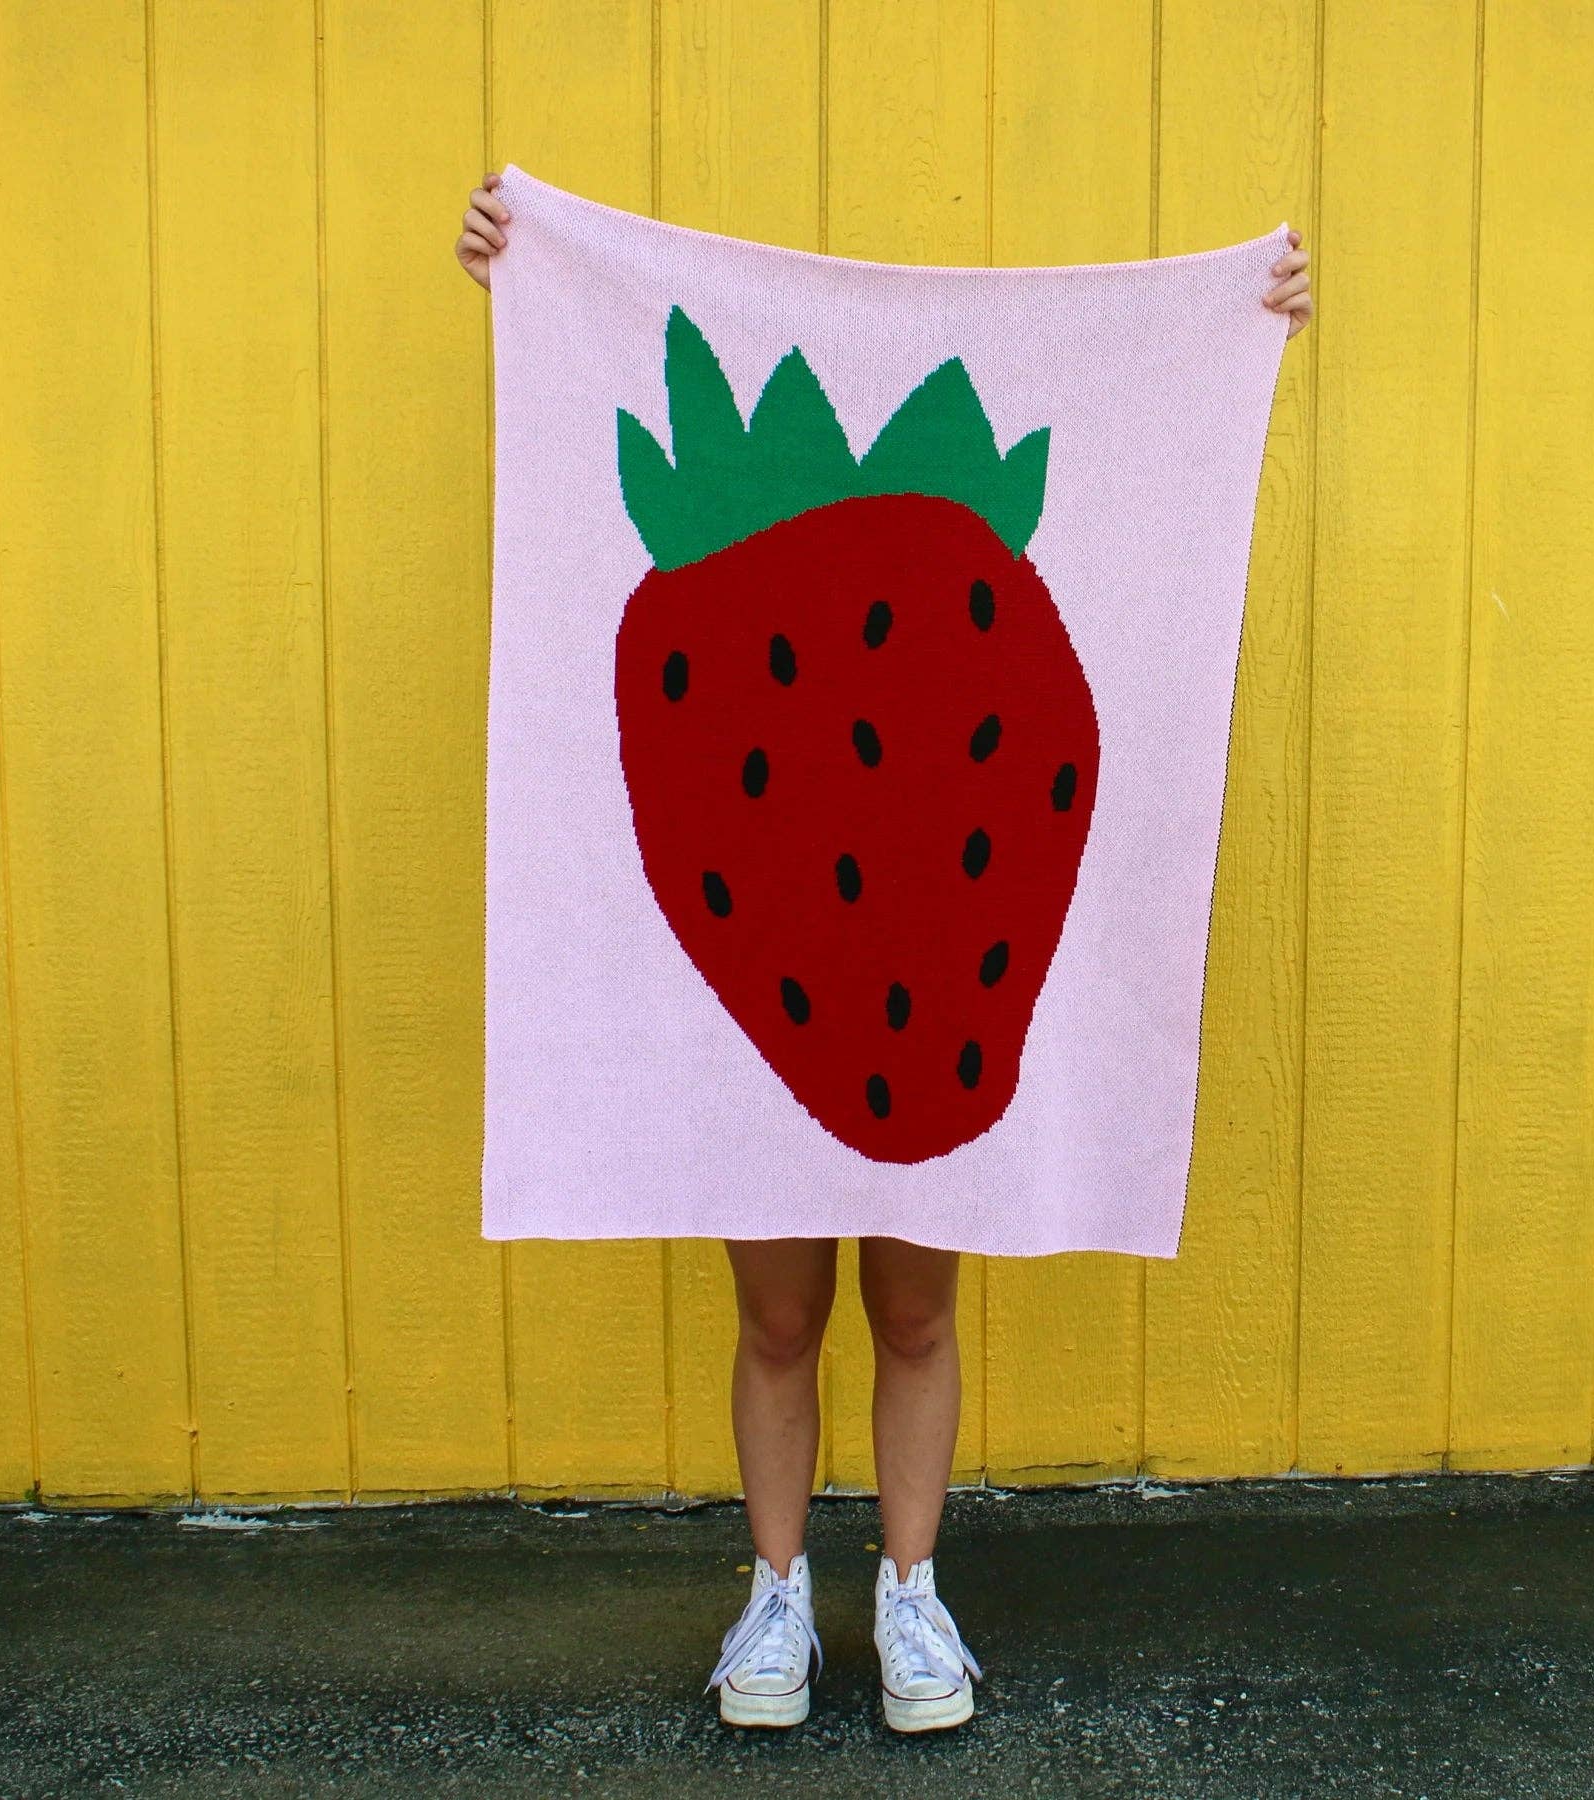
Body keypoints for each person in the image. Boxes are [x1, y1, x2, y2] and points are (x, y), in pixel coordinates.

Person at [455, 173, 1311, 1734]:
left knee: (918, 1313)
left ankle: (911, 1593)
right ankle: (775, 1597)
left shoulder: (957, 612)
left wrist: (1232, 320)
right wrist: (527, 270)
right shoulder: (713, 633)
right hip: (806, 988)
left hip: (925, 898)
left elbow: (1135, 420)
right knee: (778, 1319)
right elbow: (584, 354)